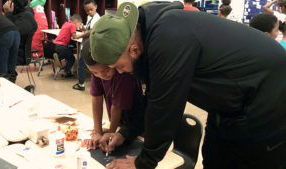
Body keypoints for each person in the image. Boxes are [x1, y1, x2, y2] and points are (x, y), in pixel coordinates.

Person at [90, 2, 286, 169]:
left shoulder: (167, 38)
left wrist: (143, 163)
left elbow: (164, 108)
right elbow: (152, 97)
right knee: (214, 155)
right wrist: (126, 133)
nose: (121, 72)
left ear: (133, 50)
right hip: (230, 101)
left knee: (250, 160)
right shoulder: (148, 34)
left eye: (120, 66)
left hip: (269, 92)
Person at [81, 40, 144, 150]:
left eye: (106, 70)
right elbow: (96, 98)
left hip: (138, 125)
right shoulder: (97, 71)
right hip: (120, 126)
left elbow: (116, 107)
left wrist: (110, 133)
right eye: (95, 73)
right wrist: (98, 132)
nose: (101, 75)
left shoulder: (122, 73)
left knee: (138, 148)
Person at [72, 0, 101, 90]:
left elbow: (92, 31)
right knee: (82, 64)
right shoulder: (89, 17)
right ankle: (82, 83)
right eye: (87, 10)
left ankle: (81, 84)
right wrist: (83, 28)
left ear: (96, 6)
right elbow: (88, 29)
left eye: (91, 10)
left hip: (90, 46)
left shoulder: (97, 18)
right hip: (85, 45)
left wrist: (80, 35)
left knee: (83, 64)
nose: (89, 12)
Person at [3, 0, 38, 65]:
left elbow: (9, 34)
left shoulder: (26, 17)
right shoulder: (20, 15)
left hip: (17, 56)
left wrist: (8, 13)